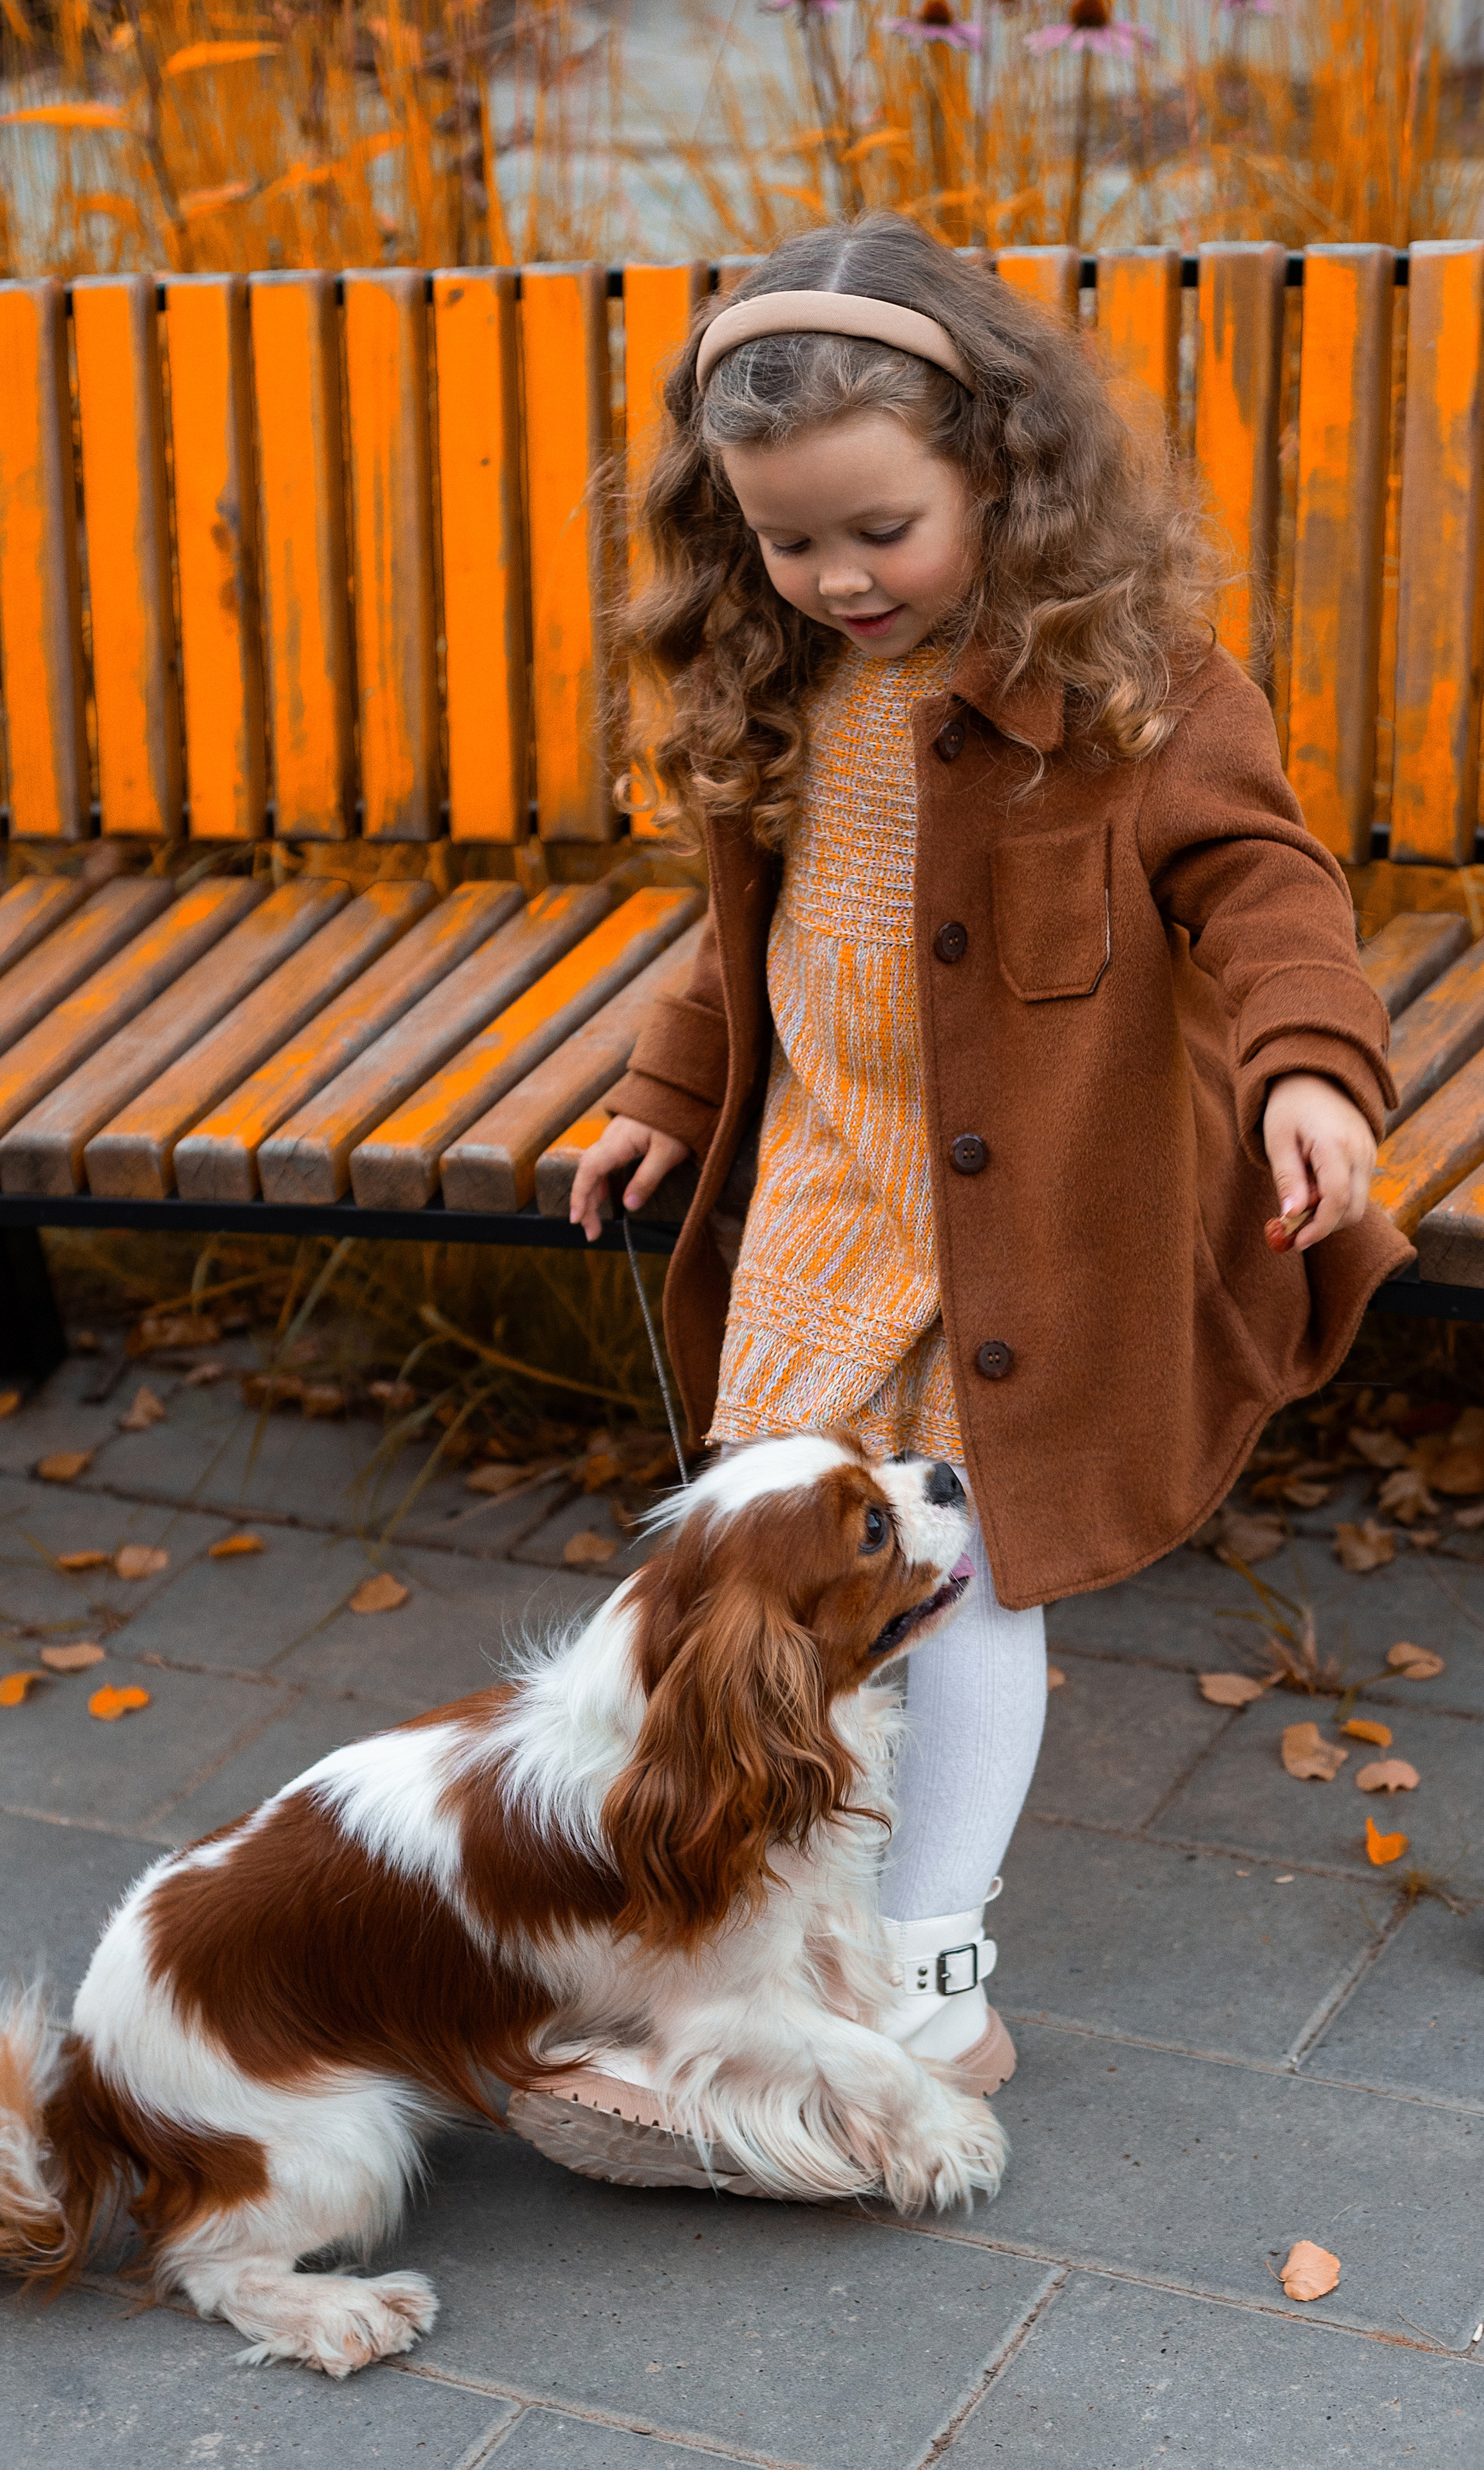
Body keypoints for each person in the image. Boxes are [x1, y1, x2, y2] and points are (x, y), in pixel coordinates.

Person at [520, 213, 1411, 2188]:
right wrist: (672, 1094)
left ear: (1002, 470)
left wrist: (1314, 1074)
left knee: (968, 1571)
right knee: (793, 1561)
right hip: (836, 1187)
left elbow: (1273, 894)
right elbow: (736, 937)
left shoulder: (1134, 687)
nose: (835, 576)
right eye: (787, 538)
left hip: (1035, 1215)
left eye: (879, 528)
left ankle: (931, 1975)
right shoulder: (786, 685)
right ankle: (748, 1944)